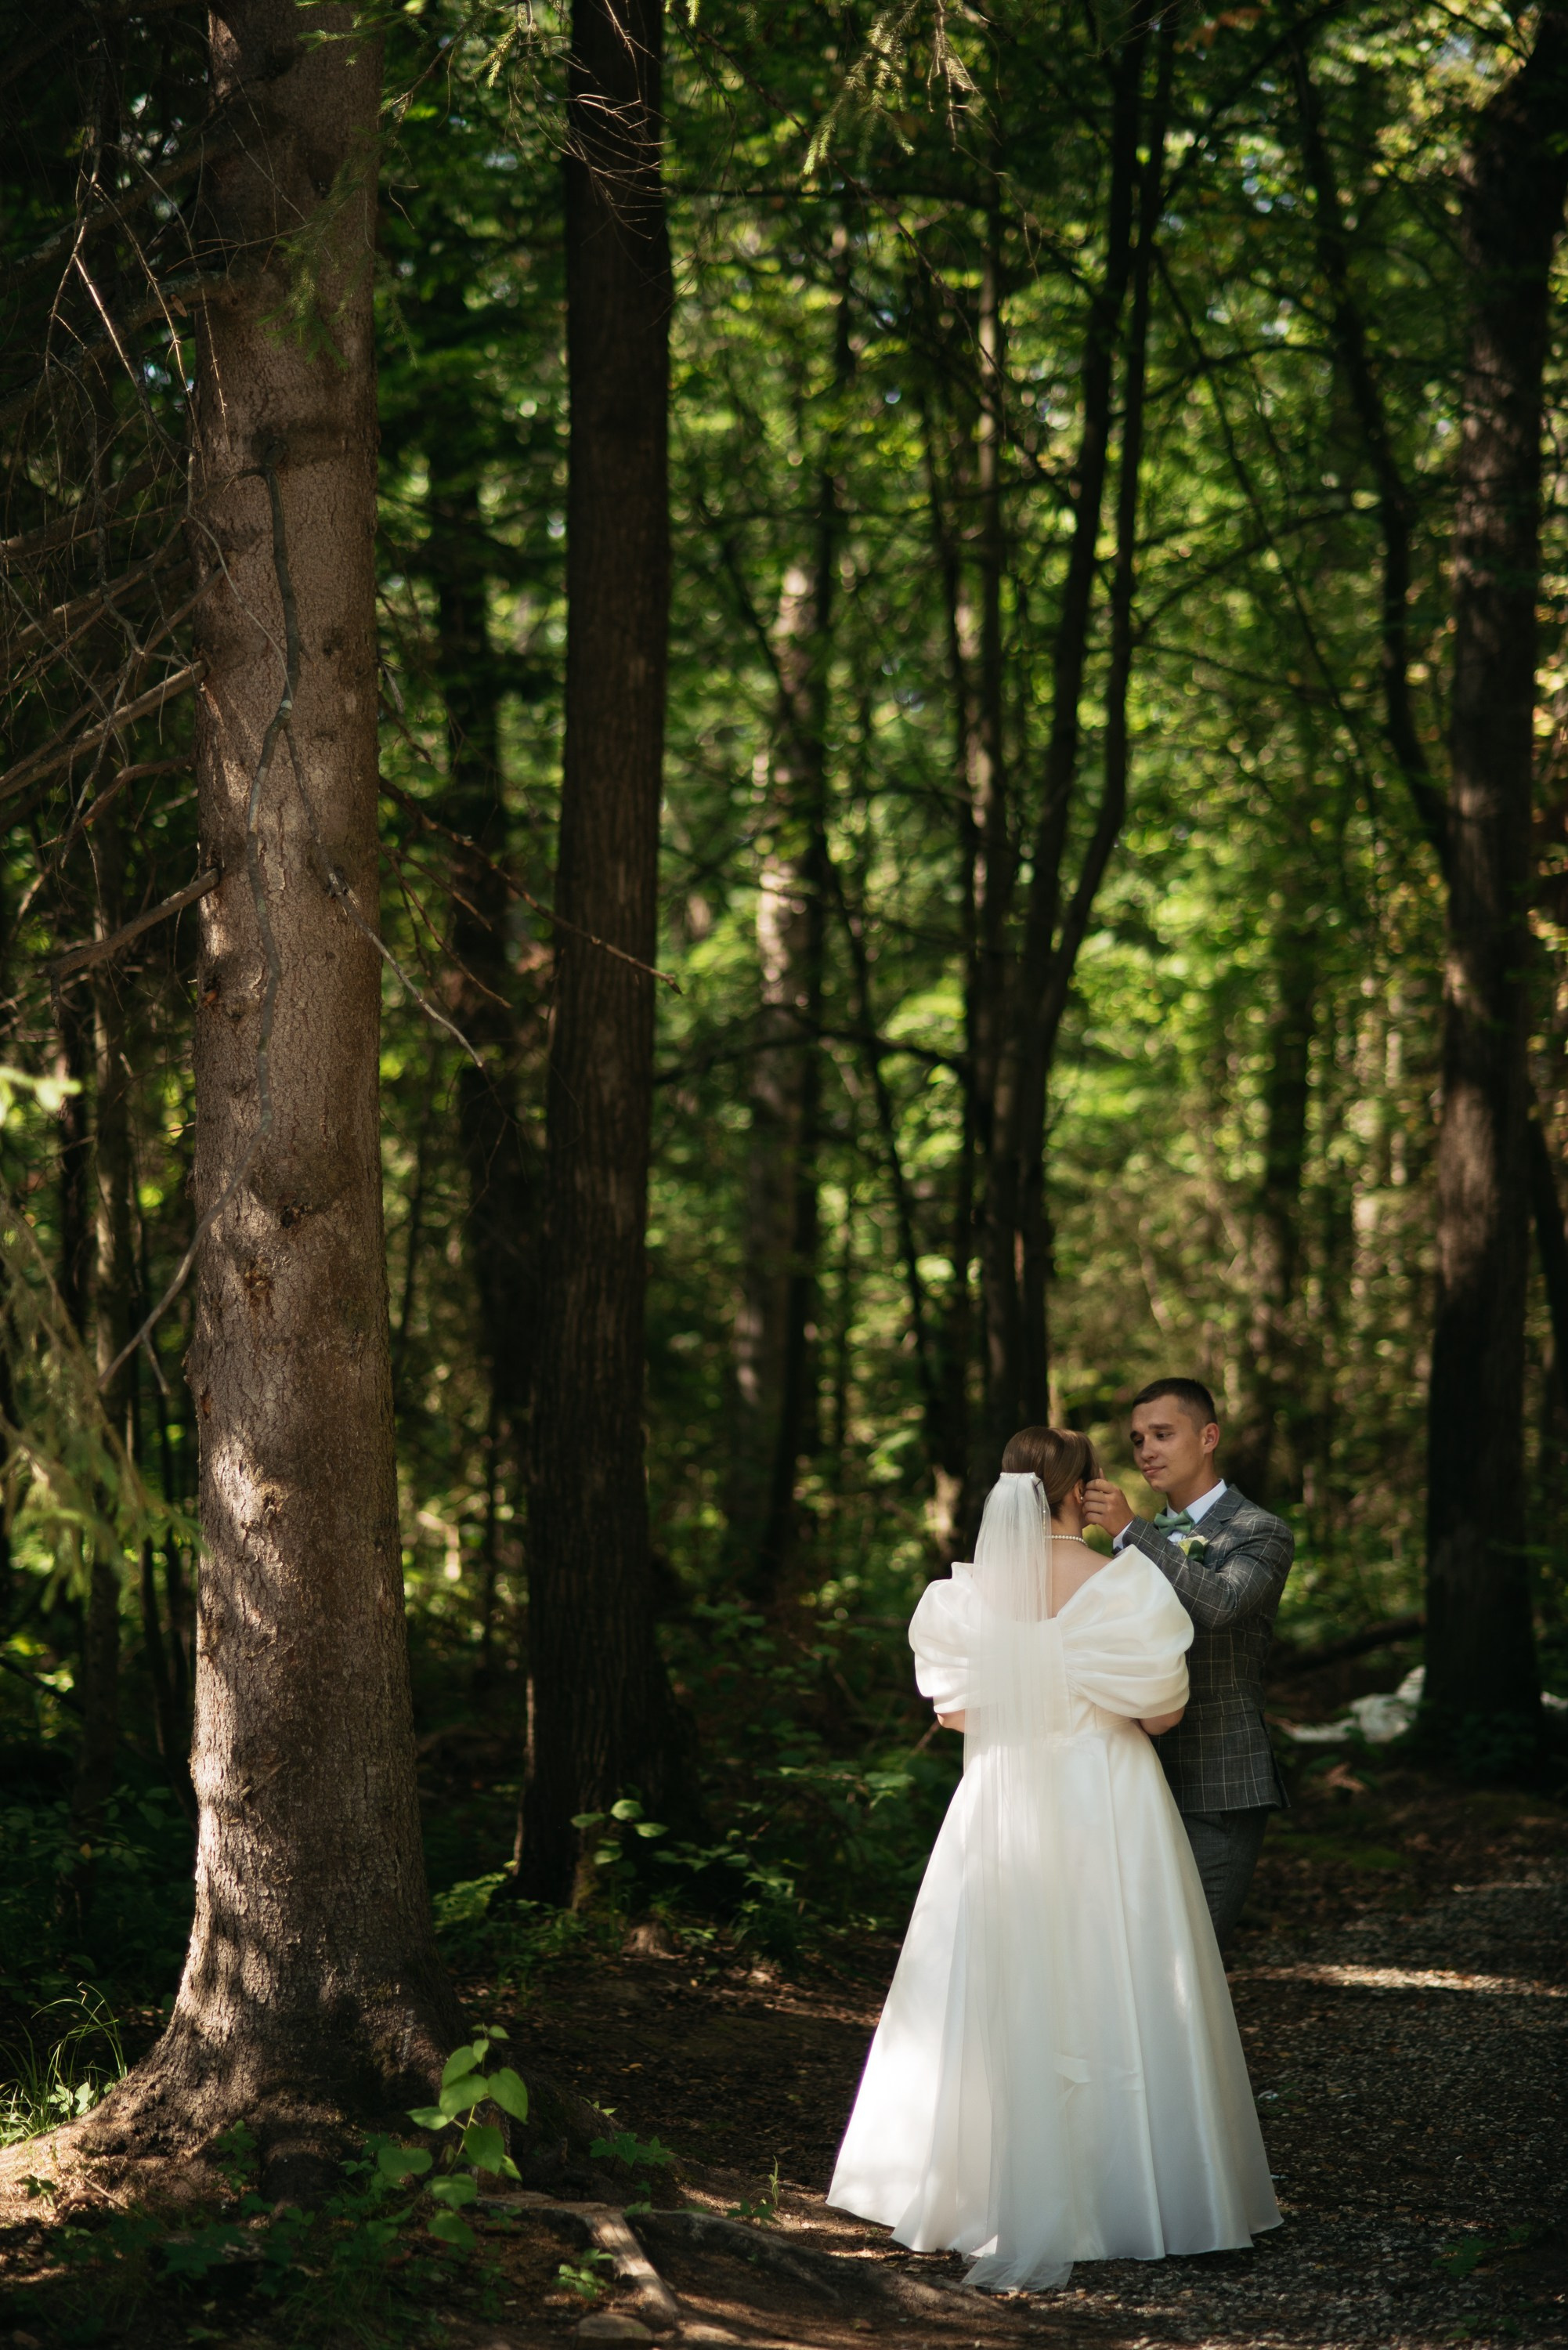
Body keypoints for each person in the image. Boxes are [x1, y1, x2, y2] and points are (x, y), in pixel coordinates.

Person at [827, 1427, 1280, 2292]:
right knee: (1116, 1975)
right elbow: (1159, 1718)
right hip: (1107, 1798)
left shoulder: (960, 1603)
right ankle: (1131, 2194)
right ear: (1082, 1494)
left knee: (991, 1975)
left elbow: (957, 1717)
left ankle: (971, 2187)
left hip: (1000, 1796)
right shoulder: (1126, 1586)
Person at [1082, 1377, 1294, 1946]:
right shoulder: (1136, 1538)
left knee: (1192, 1958)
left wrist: (1132, 1531)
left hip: (1221, 1778)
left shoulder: (1260, 1531)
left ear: (1208, 1437)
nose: (1146, 1451)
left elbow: (1221, 1605)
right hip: (1138, 1773)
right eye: (1136, 1439)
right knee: (1137, 1955)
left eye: (1162, 1434)